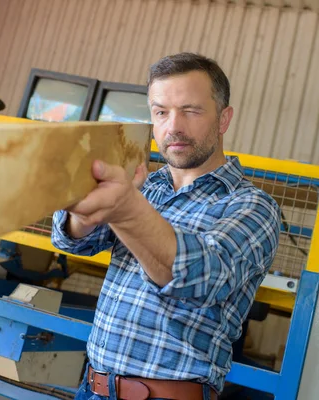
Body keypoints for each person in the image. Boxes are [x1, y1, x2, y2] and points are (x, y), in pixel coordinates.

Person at [50, 52, 281, 400]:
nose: (173, 127)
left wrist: (126, 209)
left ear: (223, 119)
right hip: (91, 388)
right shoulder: (147, 185)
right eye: (161, 112)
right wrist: (81, 214)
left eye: (191, 110)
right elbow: (70, 242)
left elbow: (201, 278)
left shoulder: (251, 207)